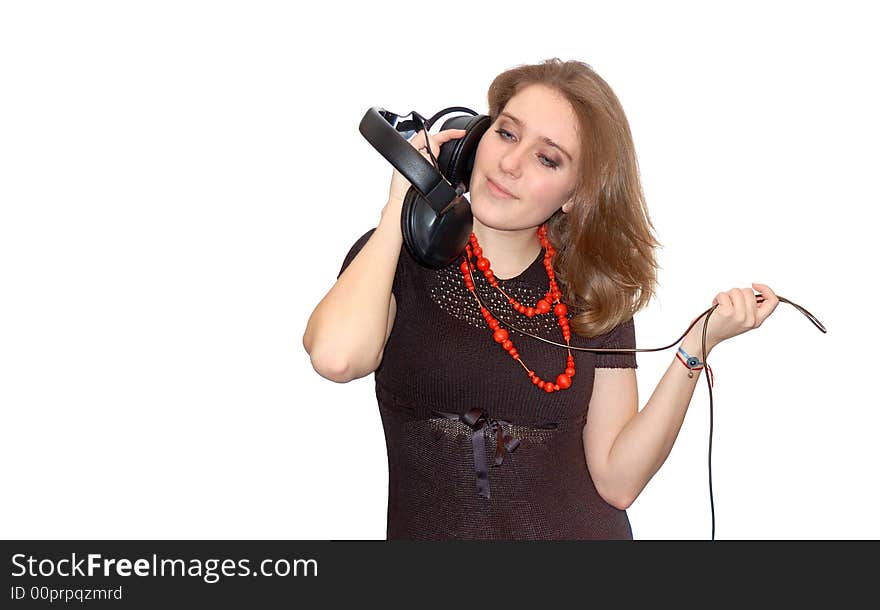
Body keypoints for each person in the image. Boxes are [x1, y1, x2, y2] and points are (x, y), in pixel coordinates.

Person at [303, 58, 780, 540]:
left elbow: (618, 481)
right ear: (471, 139)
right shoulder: (392, 261)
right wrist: (401, 204)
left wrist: (697, 345)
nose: (510, 164)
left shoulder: (590, 291)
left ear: (575, 194)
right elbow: (336, 357)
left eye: (546, 158)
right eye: (507, 134)